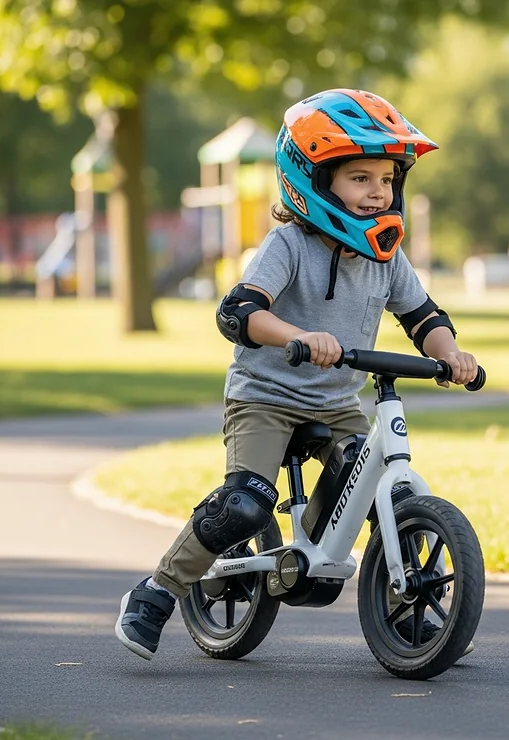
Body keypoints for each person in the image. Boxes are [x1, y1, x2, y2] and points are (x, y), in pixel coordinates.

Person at [115, 88, 479, 661]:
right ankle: (158, 590)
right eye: (360, 178)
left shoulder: (387, 257)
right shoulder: (288, 244)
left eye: (385, 180)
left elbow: (422, 316)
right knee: (246, 505)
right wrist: (298, 336)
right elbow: (240, 311)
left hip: (337, 401)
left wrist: (452, 352)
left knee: (362, 476)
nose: (377, 191)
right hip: (266, 396)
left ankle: (309, 560)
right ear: (315, 180)